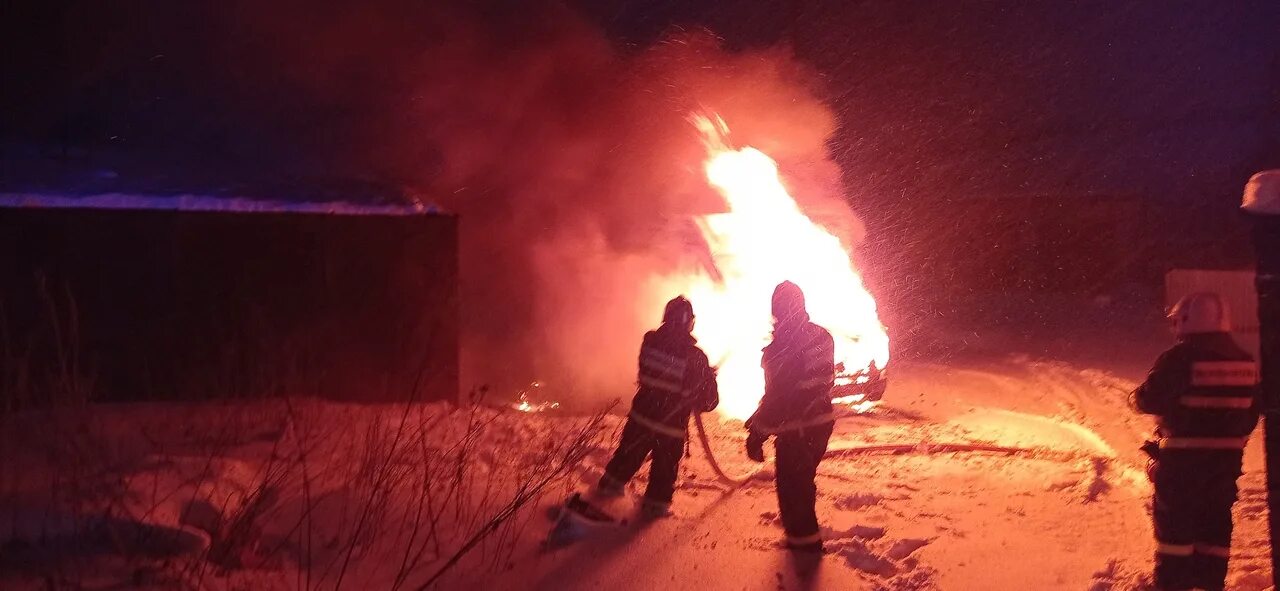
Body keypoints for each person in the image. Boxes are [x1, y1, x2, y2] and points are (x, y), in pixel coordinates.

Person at [1132, 292, 1260, 591]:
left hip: (1181, 468)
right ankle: (1208, 584)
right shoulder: (1244, 362)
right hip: (1224, 469)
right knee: (1214, 529)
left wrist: (1134, 399)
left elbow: (1149, 399)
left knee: (1175, 536)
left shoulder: (1178, 358)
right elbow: (1252, 412)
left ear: (1187, 321)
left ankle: (1173, 585)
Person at [596, 295, 719, 517]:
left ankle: (599, 500)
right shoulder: (695, 357)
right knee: (662, 479)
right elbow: (709, 402)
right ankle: (651, 516)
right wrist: (708, 378)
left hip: (640, 420)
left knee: (623, 462)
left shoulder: (650, 342)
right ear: (690, 322)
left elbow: (658, 375)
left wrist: (700, 376)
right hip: (669, 430)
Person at [745, 281, 836, 552]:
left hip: (796, 430)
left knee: (793, 490)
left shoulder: (781, 347)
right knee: (802, 483)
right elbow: (804, 386)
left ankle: (805, 553)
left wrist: (757, 433)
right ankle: (803, 545)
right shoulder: (822, 336)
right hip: (821, 424)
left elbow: (780, 397)